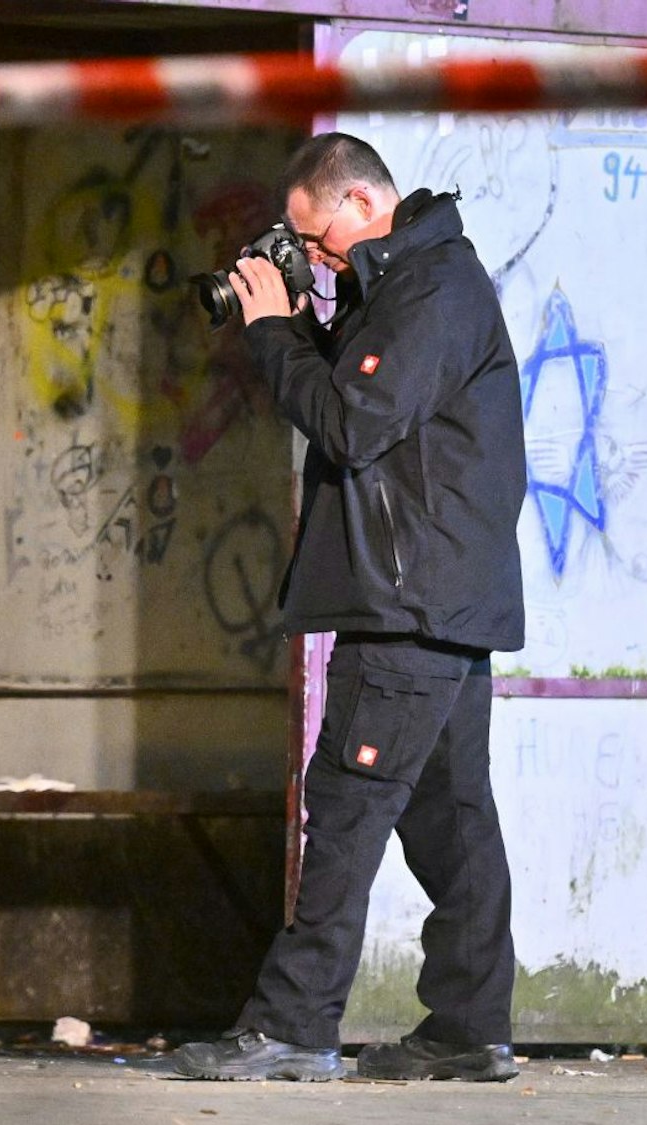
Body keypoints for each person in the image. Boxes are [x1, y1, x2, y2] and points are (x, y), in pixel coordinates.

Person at [173, 132, 527, 1083]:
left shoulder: (435, 289)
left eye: (315, 238)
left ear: (363, 204)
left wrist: (274, 330)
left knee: (346, 805)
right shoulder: (410, 288)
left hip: (406, 604)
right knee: (450, 819)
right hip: (437, 598)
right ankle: (468, 1027)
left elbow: (350, 421)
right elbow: (366, 401)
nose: (315, 259)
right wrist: (312, 323)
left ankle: (292, 1023)